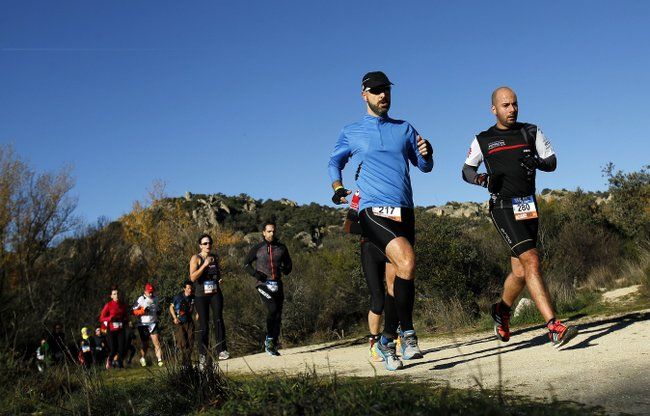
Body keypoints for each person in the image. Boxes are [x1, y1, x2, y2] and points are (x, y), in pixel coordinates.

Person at [328, 71, 433, 371]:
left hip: (405, 210)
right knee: (409, 261)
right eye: (376, 91)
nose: (382, 95)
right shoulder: (352, 131)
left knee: (396, 280)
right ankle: (408, 334)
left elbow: (424, 166)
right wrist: (337, 187)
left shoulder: (404, 128)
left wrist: (428, 153)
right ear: (364, 95)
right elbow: (335, 161)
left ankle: (387, 341)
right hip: (372, 210)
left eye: (386, 90)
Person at [462, 86, 578, 348]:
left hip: (528, 206)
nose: (512, 109)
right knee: (532, 261)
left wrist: (536, 162)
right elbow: (467, 171)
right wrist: (483, 179)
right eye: (505, 105)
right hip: (502, 207)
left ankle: (502, 310)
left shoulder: (530, 131)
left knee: (520, 270)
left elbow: (552, 161)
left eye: (514, 104)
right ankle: (554, 327)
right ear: (494, 109)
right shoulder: (483, 139)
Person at [344, 190, 399, 362]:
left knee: (395, 292)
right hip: (369, 248)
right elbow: (348, 226)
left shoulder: (389, 189)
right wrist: (372, 227)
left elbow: (398, 219)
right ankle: (374, 344)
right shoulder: (358, 196)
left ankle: (391, 337)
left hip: (390, 246)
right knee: (377, 299)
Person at [243, 221, 292, 356]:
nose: (271, 233)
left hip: (277, 284)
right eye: (269, 231)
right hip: (263, 284)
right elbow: (246, 264)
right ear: (264, 233)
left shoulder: (282, 248)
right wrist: (255, 274)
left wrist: (285, 269)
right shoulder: (258, 248)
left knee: (278, 315)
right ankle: (269, 340)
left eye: (273, 231)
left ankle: (272, 344)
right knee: (273, 309)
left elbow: (289, 265)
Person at [189, 233, 229, 367]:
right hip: (201, 296)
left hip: (215, 292)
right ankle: (202, 353)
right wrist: (204, 265)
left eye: (210, 243)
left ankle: (222, 350)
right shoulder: (196, 258)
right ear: (200, 245)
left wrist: (218, 279)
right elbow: (193, 278)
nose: (208, 245)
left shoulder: (215, 258)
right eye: (205, 243)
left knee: (218, 320)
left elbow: (215, 273)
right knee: (204, 325)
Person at [132, 283, 164, 367]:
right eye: (149, 292)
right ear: (145, 291)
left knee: (156, 342)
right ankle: (142, 358)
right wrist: (142, 311)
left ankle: (160, 360)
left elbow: (158, 308)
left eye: (152, 292)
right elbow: (134, 311)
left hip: (153, 323)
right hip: (143, 324)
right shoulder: (141, 299)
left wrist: (158, 311)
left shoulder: (156, 298)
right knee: (145, 344)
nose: (150, 293)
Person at [99, 286, 129, 369]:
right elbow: (101, 318)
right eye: (114, 294)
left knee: (122, 348)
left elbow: (126, 316)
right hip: (111, 330)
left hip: (120, 329)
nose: (117, 295)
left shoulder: (122, 305)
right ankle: (109, 359)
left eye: (118, 294)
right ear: (111, 296)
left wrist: (126, 320)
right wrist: (110, 318)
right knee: (113, 350)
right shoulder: (108, 305)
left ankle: (120, 364)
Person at [169, 280, 195, 365]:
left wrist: (197, 313)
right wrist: (174, 318)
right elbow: (171, 307)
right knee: (182, 342)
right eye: (188, 288)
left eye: (191, 288)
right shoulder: (178, 297)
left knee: (191, 340)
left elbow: (196, 305)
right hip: (180, 323)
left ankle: (187, 360)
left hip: (189, 321)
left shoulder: (193, 297)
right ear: (184, 288)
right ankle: (186, 361)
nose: (190, 290)